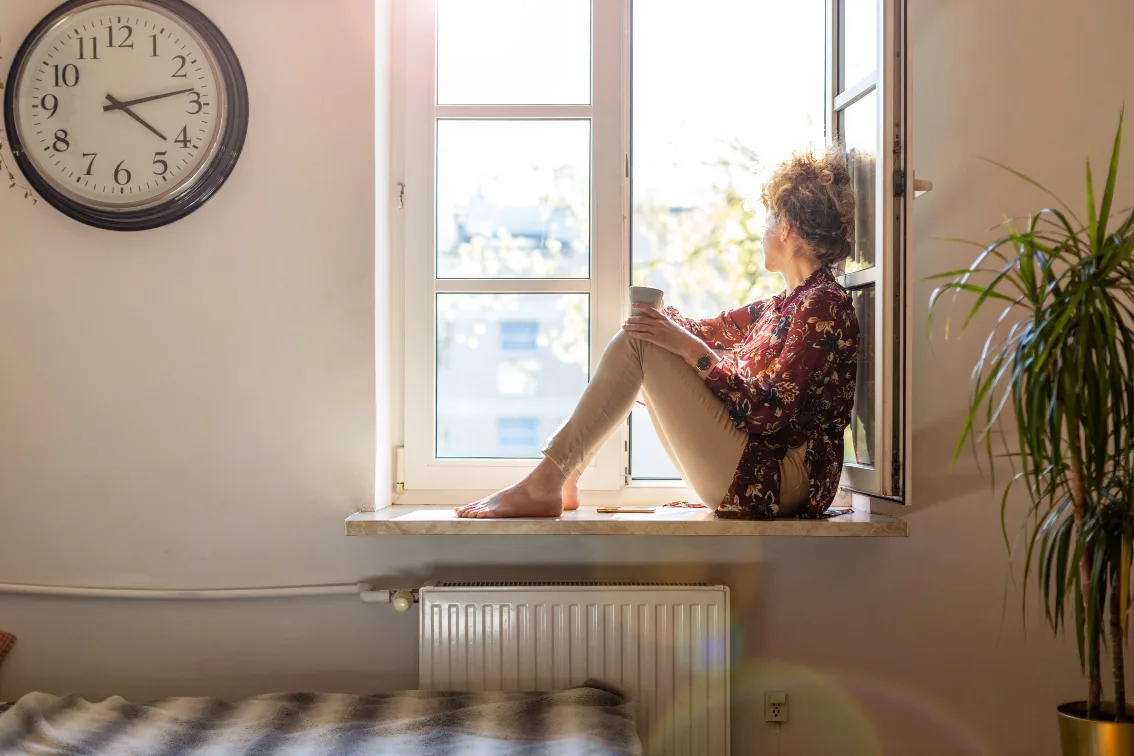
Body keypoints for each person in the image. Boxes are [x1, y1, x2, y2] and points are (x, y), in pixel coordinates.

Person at [457, 147, 860, 520]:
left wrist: (685, 348)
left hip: (780, 481)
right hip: (758, 470)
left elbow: (768, 412)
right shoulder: (783, 305)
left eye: (767, 220)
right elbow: (699, 330)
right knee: (645, 340)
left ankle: (549, 479)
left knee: (641, 344)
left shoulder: (822, 305)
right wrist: (657, 321)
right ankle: (563, 476)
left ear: (788, 228)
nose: (762, 232)